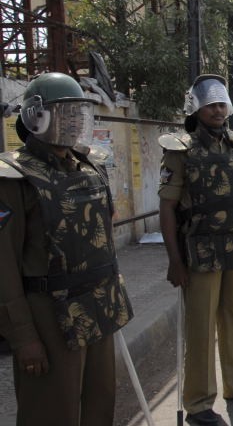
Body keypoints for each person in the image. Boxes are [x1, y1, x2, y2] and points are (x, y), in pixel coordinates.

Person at [0, 72, 134, 425]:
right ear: (35, 116)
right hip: (49, 317)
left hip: (96, 309)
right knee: (51, 412)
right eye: (65, 113)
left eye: (78, 113)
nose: (74, 122)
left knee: (99, 406)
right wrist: (23, 337)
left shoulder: (89, 167)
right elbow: (4, 267)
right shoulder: (14, 177)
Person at [158, 74, 233, 426]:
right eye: (211, 105)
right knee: (202, 329)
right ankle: (199, 404)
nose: (219, 110)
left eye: (222, 103)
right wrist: (174, 261)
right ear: (197, 109)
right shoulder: (180, 150)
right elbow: (166, 208)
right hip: (201, 253)